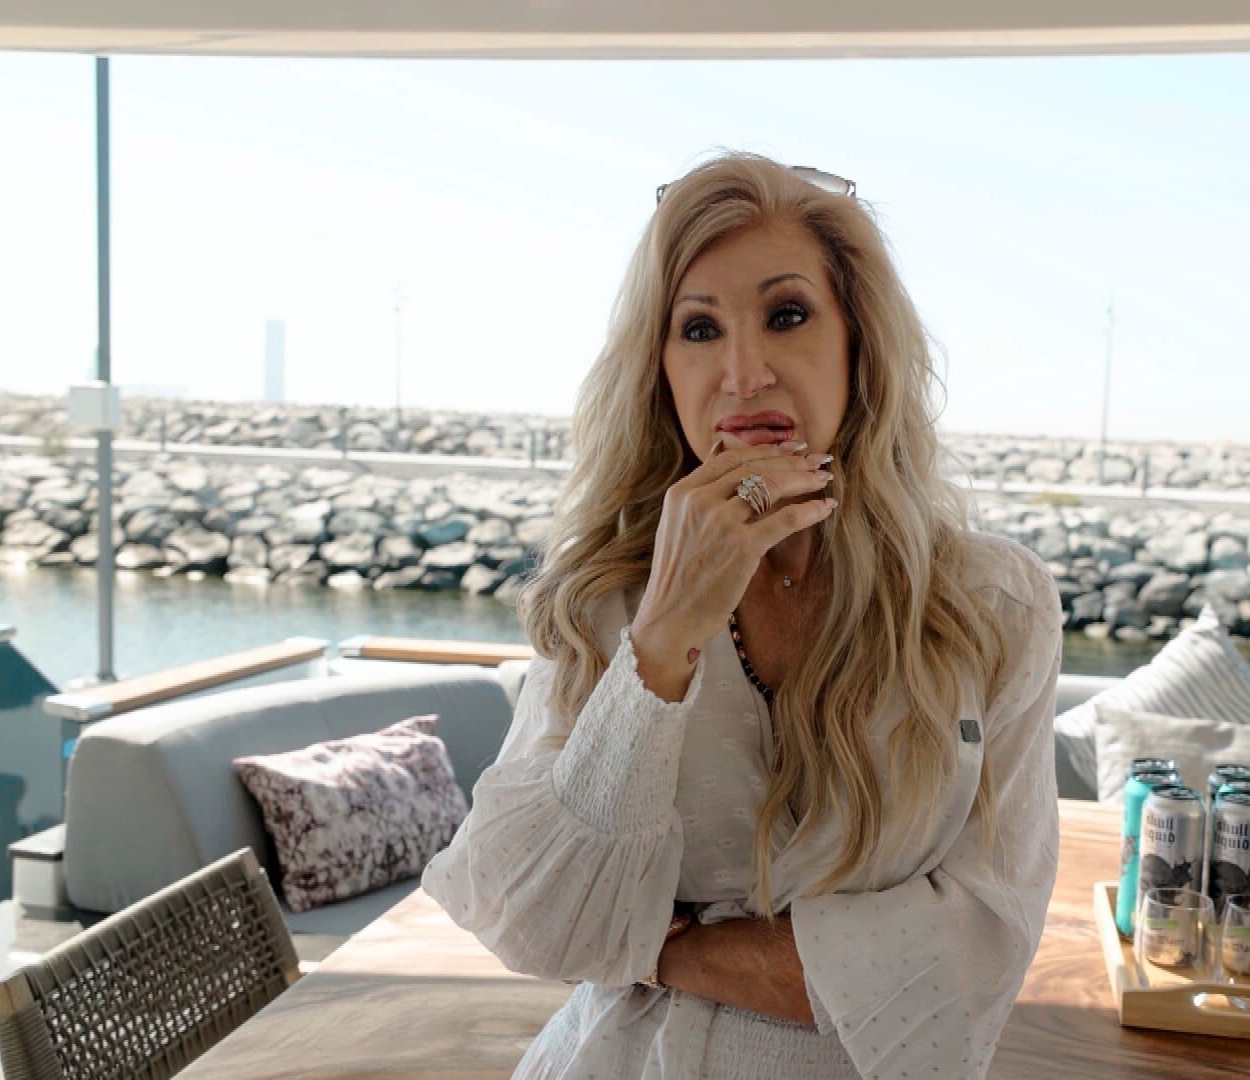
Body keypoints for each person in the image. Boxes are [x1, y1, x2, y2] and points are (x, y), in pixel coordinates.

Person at [422, 152, 1064, 1079]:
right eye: (698, 328)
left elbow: (976, 954)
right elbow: (534, 920)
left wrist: (654, 948)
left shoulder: (990, 605)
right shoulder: (604, 597)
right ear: (661, 370)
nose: (743, 373)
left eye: (787, 315)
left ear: (858, 344)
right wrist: (666, 631)